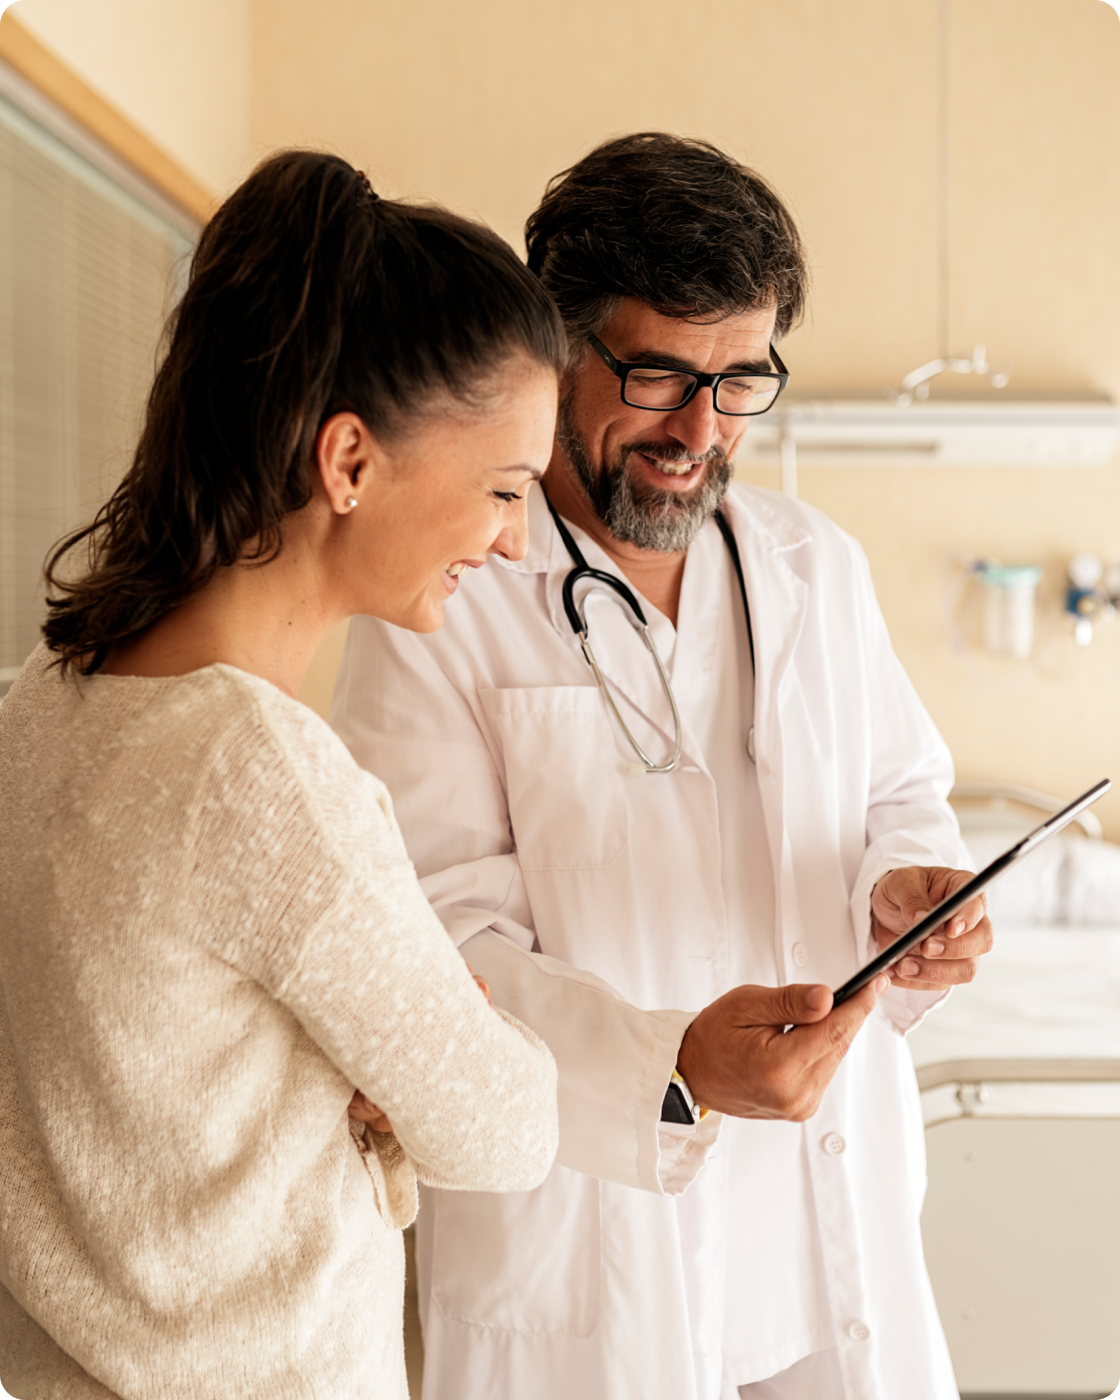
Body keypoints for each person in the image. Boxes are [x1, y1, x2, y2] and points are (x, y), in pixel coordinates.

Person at [331, 133, 993, 1400]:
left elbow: (899, 793)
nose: (700, 428)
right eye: (657, 375)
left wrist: (906, 893)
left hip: (818, 1239)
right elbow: (428, 957)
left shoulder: (815, 566)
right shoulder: (441, 596)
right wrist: (672, 1062)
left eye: (742, 380)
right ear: (558, 352)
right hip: (596, 1252)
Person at [0, 150, 565, 1400]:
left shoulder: (38, 708)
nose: (517, 540)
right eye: (504, 488)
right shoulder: (263, 778)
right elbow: (503, 1125)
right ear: (349, 462)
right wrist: (427, 1047)